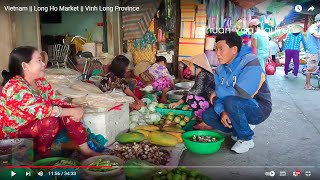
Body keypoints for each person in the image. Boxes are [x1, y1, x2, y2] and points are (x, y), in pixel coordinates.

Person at [0, 46, 100, 158]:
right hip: (16, 134)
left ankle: (86, 150)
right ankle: (43, 157)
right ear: (25, 66)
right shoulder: (15, 87)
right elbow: (41, 111)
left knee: (69, 110)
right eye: (38, 60)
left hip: (35, 123)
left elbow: (53, 99)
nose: (43, 64)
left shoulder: (40, 82)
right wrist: (71, 111)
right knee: (50, 121)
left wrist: (74, 108)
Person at [202, 32, 272, 153]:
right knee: (208, 115)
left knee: (231, 101)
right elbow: (216, 97)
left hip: (259, 108)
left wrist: (218, 92)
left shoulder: (250, 61)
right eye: (216, 49)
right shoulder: (220, 69)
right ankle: (238, 129)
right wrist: (223, 111)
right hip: (232, 104)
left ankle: (246, 138)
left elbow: (243, 92)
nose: (217, 53)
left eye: (221, 49)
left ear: (234, 50)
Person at [170, 54, 215, 130]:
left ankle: (205, 122)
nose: (188, 68)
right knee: (190, 97)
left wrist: (184, 102)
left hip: (212, 105)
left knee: (191, 98)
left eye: (190, 65)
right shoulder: (202, 75)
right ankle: (202, 119)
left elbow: (194, 92)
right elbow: (194, 90)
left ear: (197, 66)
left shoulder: (203, 75)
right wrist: (178, 103)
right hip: (210, 103)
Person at [305, 13, 320, 90]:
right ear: (318, 21)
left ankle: (309, 84)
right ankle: (307, 85)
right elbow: (317, 36)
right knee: (309, 69)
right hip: (312, 51)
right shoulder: (312, 28)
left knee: (313, 68)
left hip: (316, 51)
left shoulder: (318, 28)